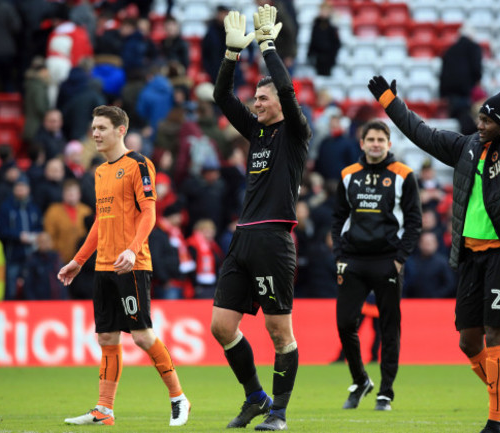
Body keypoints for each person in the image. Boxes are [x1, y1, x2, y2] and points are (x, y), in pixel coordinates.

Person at [367, 64, 500, 433]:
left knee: (496, 335)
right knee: (468, 342)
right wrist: (390, 102)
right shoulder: (467, 147)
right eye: (478, 118)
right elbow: (422, 133)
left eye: (487, 120)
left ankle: (495, 421)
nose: (479, 124)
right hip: (470, 257)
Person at [57, 105, 190, 427]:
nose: (95, 134)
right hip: (104, 266)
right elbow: (101, 223)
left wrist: (132, 251)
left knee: (142, 336)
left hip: (131, 265)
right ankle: (104, 409)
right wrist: (78, 261)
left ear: (121, 130)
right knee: (106, 338)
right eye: (93, 128)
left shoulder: (139, 164)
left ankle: (178, 398)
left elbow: (149, 213)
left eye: (102, 128)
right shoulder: (100, 172)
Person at [210, 5, 311, 431]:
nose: (256, 104)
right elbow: (221, 97)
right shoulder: (257, 133)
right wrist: (233, 54)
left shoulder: (295, 132)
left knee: (277, 329)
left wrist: (268, 46)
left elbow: (287, 92)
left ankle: (280, 413)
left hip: (273, 238)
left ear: (281, 104)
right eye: (255, 99)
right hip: (243, 238)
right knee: (221, 326)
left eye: (262, 99)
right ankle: (255, 397)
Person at [331, 119, 422, 411]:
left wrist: (399, 259)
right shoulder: (348, 175)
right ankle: (360, 380)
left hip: (387, 261)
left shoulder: (404, 175)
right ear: (362, 143)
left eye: (380, 140)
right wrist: (339, 256)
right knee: (345, 323)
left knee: (389, 326)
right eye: (370, 139)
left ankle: (386, 392)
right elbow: (337, 219)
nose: (375, 144)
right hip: (353, 260)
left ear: (389, 144)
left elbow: (414, 221)